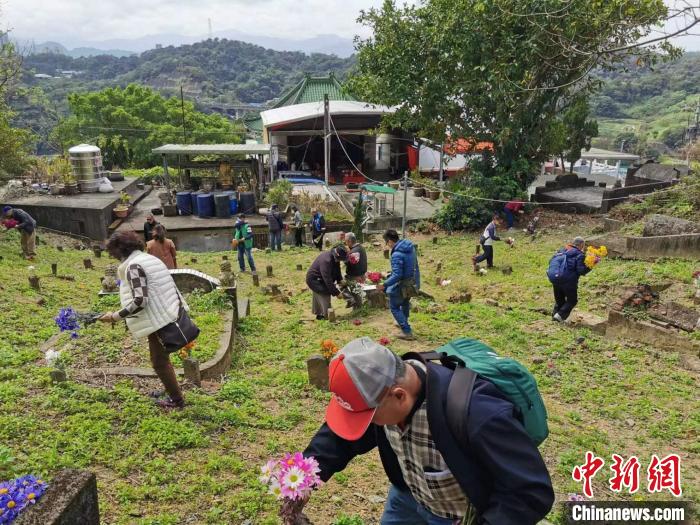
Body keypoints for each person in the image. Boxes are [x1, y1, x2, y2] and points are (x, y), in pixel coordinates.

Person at [280, 337, 554, 525]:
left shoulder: (476, 412)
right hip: (406, 495)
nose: (365, 426)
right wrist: (303, 478)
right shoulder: (378, 392)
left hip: (453, 513)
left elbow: (529, 489)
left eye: (367, 418)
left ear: (399, 396)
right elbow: (341, 434)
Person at [98, 231, 186, 409]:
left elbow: (140, 301)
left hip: (159, 319)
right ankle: (170, 389)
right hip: (167, 312)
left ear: (119, 249)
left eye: (112, 252)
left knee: (159, 362)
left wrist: (115, 316)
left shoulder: (134, 267)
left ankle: (176, 400)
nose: (112, 256)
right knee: (162, 359)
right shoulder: (150, 259)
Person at [378, 229, 420, 340]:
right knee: (405, 301)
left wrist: (385, 284)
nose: (387, 245)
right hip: (412, 282)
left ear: (390, 241)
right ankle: (403, 321)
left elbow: (397, 275)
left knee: (394, 306)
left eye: (386, 242)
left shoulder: (397, 254)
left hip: (403, 283)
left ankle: (406, 331)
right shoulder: (409, 248)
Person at [552, 236, 591, 322]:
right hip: (569, 282)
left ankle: (555, 316)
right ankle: (560, 316)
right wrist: (590, 266)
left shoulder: (562, 250)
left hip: (556, 278)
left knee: (559, 300)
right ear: (581, 245)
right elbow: (581, 271)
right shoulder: (579, 255)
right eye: (583, 245)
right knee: (572, 300)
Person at [306, 245, 348, 320]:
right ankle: (325, 315)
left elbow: (337, 270)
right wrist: (337, 293)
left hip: (321, 279)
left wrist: (340, 280)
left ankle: (320, 313)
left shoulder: (335, 258)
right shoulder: (326, 260)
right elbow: (327, 280)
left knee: (322, 294)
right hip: (314, 280)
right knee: (325, 292)